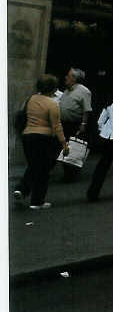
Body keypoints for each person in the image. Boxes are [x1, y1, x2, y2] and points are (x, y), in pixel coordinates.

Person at [14, 75, 69, 209]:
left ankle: (22, 189)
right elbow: (57, 126)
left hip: (28, 136)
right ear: (53, 89)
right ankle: (37, 201)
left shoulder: (31, 99)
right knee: (43, 171)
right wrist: (64, 143)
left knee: (33, 165)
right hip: (43, 138)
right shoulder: (52, 104)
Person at [58, 68, 92, 182]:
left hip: (75, 124)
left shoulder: (84, 91)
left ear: (75, 78)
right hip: (64, 124)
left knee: (74, 149)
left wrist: (83, 124)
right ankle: (67, 172)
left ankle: (72, 173)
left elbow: (87, 109)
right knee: (65, 148)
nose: (66, 77)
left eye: (69, 75)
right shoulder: (67, 90)